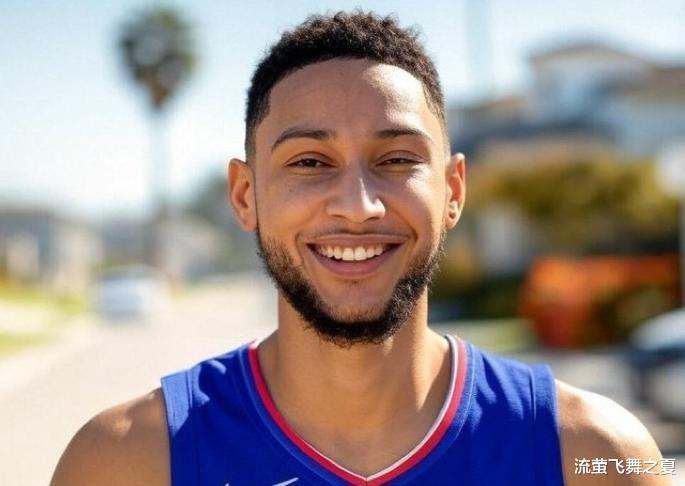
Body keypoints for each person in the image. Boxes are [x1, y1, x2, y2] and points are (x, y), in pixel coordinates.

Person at [51, 11, 668, 486]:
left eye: (396, 159)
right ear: (245, 195)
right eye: (310, 162)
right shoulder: (127, 461)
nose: (358, 206)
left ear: (453, 191)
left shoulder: (595, 455)